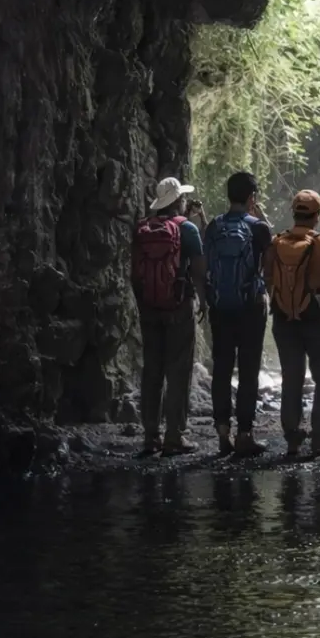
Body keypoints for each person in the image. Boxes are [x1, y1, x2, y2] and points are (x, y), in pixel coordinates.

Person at [263, 190, 320, 458]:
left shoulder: (276, 244)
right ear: (317, 216)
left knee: (291, 379)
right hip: (316, 321)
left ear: (294, 213)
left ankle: (293, 440)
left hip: (285, 322)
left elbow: (267, 279)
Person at [131, 176, 208, 458]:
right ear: (179, 200)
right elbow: (199, 269)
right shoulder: (187, 229)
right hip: (178, 307)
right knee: (178, 371)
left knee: (152, 371)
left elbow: (135, 272)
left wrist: (143, 302)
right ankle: (175, 436)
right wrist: (203, 301)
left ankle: (151, 436)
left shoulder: (142, 229)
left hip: (149, 307)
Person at [203, 172, 273, 457]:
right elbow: (269, 268)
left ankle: (222, 432)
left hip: (221, 306)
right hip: (249, 308)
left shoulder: (214, 226)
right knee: (248, 370)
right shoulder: (259, 228)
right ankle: (245, 433)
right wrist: (262, 292)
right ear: (251, 198)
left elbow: (207, 264)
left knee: (221, 368)